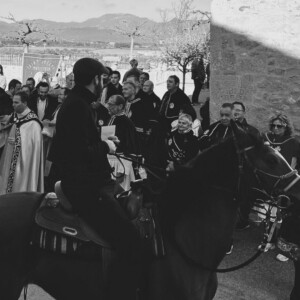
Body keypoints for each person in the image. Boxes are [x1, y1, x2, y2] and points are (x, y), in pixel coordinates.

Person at [49, 58, 144, 298]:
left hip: (87, 181)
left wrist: (103, 143)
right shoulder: (79, 106)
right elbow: (78, 153)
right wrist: (106, 147)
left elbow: (80, 143)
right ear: (96, 79)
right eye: (102, 78)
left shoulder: (78, 102)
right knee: (131, 243)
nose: (104, 83)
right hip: (84, 187)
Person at [0, 91, 43, 195]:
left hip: (24, 164)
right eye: (13, 102)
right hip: (9, 157)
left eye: (16, 102)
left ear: (25, 103)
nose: (13, 105)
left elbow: (31, 149)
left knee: (19, 186)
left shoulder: (33, 124)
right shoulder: (15, 115)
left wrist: (16, 141)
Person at [232, 101, 260, 230]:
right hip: (229, 168)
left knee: (244, 197)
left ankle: (243, 220)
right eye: (234, 109)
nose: (236, 112)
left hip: (246, 171)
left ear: (244, 112)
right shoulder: (227, 128)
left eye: (239, 110)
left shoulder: (252, 131)